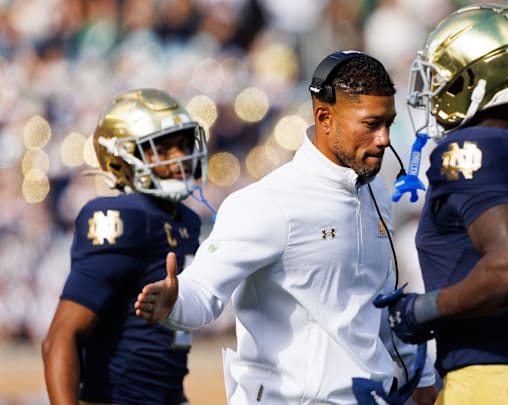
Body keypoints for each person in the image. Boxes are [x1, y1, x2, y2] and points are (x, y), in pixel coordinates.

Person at [134, 51, 438, 405]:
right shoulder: (269, 202)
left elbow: (383, 306)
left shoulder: (377, 192)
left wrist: (426, 384)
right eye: (371, 124)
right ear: (324, 116)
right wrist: (173, 301)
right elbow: (202, 290)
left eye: (388, 122)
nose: (385, 139)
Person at [381, 4, 508, 404]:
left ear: (475, 76)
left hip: (493, 387)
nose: (435, 87)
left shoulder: (468, 148)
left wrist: (418, 311)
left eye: (441, 75)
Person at [42, 88, 209, 405]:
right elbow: (61, 337)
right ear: (123, 158)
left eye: (183, 143)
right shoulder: (123, 218)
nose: (180, 157)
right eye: (162, 148)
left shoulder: (186, 219)